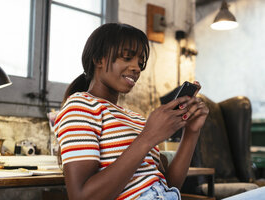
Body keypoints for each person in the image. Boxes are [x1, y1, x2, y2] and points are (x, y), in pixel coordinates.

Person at [54, 23, 209, 200]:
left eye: (140, 62)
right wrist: (148, 137)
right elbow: (82, 196)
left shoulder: (137, 119)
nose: (136, 68)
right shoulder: (80, 106)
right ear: (98, 59)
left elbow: (167, 186)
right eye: (127, 58)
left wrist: (191, 132)